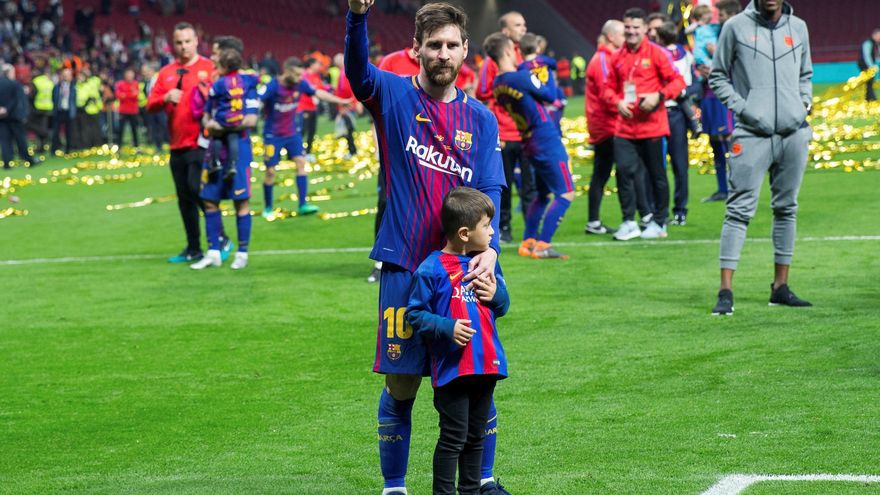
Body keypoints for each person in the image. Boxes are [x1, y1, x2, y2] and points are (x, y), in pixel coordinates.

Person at [344, 2, 510, 494]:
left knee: (476, 376)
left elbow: (491, 190)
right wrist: (357, 16)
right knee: (402, 382)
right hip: (405, 262)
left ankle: (483, 481)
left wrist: (492, 251)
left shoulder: (480, 119)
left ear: (465, 50)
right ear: (416, 49)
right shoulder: (393, 95)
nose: (443, 54)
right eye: (433, 45)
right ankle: (394, 487)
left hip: (465, 268)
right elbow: (356, 72)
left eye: (451, 45)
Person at [709, 0, 814, 315]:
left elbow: (806, 74)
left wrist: (803, 104)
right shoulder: (735, 27)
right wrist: (745, 110)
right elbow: (717, 77)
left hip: (794, 133)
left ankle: (780, 287)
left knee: (787, 208)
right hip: (752, 134)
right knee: (738, 211)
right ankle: (725, 291)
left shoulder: (799, 27)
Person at [406, 187, 509, 495]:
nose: (492, 232)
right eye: (486, 226)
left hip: (486, 365)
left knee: (476, 437)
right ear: (465, 233)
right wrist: (447, 327)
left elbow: (503, 305)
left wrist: (496, 295)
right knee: (453, 438)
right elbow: (414, 314)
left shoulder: (485, 264)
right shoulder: (431, 268)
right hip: (453, 369)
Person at [485, 32, 575, 260]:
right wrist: (547, 69)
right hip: (545, 138)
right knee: (566, 193)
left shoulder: (498, 84)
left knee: (543, 194)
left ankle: (528, 242)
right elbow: (550, 94)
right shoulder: (521, 77)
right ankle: (543, 245)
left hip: (528, 140)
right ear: (508, 51)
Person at [602, 7, 685, 241]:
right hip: (625, 127)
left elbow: (678, 81)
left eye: (636, 27)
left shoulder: (657, 54)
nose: (631, 31)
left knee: (657, 175)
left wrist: (659, 96)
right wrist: (617, 102)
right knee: (624, 173)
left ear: (646, 29)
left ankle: (659, 221)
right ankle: (629, 221)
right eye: (627, 27)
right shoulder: (617, 56)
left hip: (652, 126)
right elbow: (607, 89)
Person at [147, 22, 227, 263]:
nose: (183, 46)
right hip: (177, 143)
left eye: (187, 41)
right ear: (174, 44)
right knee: (184, 198)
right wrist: (165, 97)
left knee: (196, 188)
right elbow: (150, 105)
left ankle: (220, 237)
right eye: (179, 42)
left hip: (202, 142)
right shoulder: (166, 72)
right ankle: (194, 248)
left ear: (196, 41)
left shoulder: (210, 68)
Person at [258, 56, 351, 217]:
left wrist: (339, 101)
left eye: (301, 75)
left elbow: (318, 93)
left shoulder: (300, 84)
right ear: (286, 71)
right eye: (297, 74)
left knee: (301, 163)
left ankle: (303, 204)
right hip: (272, 136)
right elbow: (257, 101)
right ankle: (268, 207)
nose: (300, 78)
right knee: (270, 171)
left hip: (292, 133)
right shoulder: (273, 86)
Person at [189, 63, 260, 270]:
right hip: (214, 153)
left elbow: (251, 120)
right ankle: (213, 252)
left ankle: (242, 253)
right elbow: (206, 116)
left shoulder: (247, 85)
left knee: (241, 202)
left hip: (239, 154)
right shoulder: (216, 87)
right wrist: (209, 123)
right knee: (209, 200)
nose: (214, 64)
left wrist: (222, 126)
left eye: (217, 60)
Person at [476, 11, 535, 245]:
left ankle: (531, 229)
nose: (523, 28)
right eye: (518, 25)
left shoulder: (526, 54)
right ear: (505, 31)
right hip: (505, 133)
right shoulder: (493, 60)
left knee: (530, 184)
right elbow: (482, 91)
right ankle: (505, 226)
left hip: (528, 132)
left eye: (524, 24)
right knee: (505, 184)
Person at [584, 20, 624, 235]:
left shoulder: (607, 58)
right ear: (611, 37)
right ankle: (595, 221)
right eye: (622, 34)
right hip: (607, 126)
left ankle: (594, 221)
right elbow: (607, 95)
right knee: (607, 173)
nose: (626, 38)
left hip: (608, 124)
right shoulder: (602, 60)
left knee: (604, 172)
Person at [656, 21, 698, 226]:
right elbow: (696, 85)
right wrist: (683, 92)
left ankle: (659, 212)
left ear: (659, 38)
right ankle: (680, 211)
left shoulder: (657, 55)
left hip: (659, 112)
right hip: (679, 113)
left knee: (657, 167)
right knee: (680, 166)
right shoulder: (687, 54)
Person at [699, 0, 742, 204]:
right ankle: (722, 188)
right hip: (709, 95)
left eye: (722, 15)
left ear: (732, 15)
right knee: (715, 141)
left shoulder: (740, 35)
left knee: (731, 141)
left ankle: (738, 188)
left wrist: (716, 56)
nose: (719, 19)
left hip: (728, 97)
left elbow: (737, 65)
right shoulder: (717, 34)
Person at [203, 48, 246, 182]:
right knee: (233, 138)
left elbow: (212, 95)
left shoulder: (221, 82)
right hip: (237, 117)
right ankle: (232, 165)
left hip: (223, 117)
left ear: (225, 67)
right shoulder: (242, 80)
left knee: (217, 137)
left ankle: (215, 162)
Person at [518, 33, 565, 131]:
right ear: (537, 48)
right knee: (554, 127)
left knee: (540, 127)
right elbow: (554, 64)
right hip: (551, 99)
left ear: (520, 51)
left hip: (536, 103)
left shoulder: (522, 67)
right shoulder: (545, 61)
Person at [0, 65, 38, 168]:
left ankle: (7, 162)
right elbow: (17, 100)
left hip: (2, 118)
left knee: (5, 140)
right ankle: (28, 159)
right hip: (15, 116)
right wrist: (7, 109)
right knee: (20, 139)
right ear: (9, 73)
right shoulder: (15, 84)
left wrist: (2, 109)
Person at [51, 67, 76, 154]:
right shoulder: (57, 87)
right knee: (56, 131)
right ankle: (54, 149)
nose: (65, 77)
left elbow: (74, 100)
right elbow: (54, 98)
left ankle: (68, 149)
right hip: (59, 111)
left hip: (68, 111)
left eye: (67, 75)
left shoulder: (73, 87)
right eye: (64, 75)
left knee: (69, 131)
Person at [114, 68, 140, 147]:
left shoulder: (136, 83)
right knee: (121, 129)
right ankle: (119, 145)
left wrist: (125, 94)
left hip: (133, 111)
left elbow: (136, 95)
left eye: (131, 75)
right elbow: (118, 95)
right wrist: (130, 94)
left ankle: (136, 145)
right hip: (123, 111)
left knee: (134, 129)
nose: (129, 76)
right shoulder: (120, 84)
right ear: (125, 76)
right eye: (128, 75)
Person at [858, 28, 880, 101]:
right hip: (864, 65)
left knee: (869, 81)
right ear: (874, 35)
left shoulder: (875, 43)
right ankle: (871, 98)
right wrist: (871, 66)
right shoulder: (868, 43)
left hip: (867, 64)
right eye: (879, 36)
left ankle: (869, 98)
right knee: (869, 81)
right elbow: (867, 56)